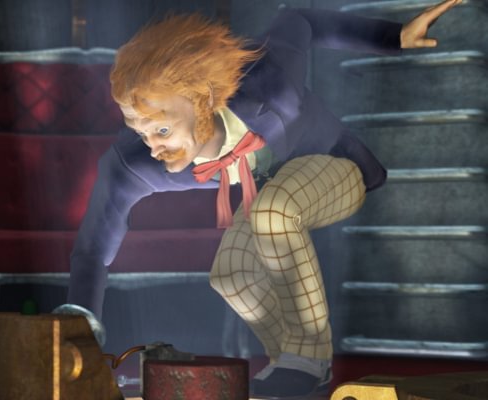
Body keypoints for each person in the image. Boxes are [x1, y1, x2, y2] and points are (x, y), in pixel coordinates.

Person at [56, 0, 461, 397]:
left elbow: (299, 20)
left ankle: (307, 358)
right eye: (140, 132)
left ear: (203, 101)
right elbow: (93, 248)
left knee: (273, 210)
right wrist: (80, 322)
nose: (153, 147)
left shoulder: (272, 85)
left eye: (162, 130)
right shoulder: (134, 166)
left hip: (334, 163)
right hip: (274, 192)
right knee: (232, 275)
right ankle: (292, 361)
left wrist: (394, 36)